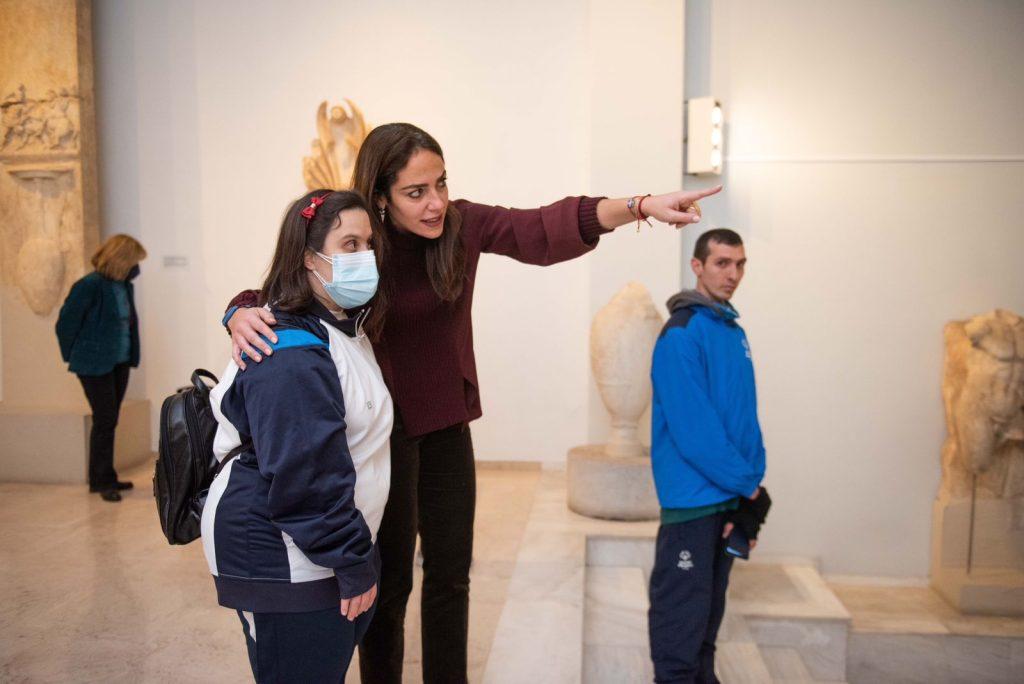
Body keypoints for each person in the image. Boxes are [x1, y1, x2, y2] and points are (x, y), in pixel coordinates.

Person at [225, 122, 721, 683]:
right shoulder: (363, 245)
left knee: (451, 576)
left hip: (447, 426)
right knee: (388, 584)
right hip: (382, 438)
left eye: (440, 183)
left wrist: (640, 206)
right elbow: (287, 287)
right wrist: (237, 312)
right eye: (416, 192)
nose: (435, 202)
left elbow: (541, 227)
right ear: (381, 196)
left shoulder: (461, 226)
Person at [201, 190, 392, 683]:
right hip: (283, 556)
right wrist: (351, 560)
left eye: (369, 243)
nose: (365, 256)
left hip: (324, 546)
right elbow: (305, 472)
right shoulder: (287, 349)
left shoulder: (338, 326)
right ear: (308, 258)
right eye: (349, 245)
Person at [647, 228, 772, 683]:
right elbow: (695, 432)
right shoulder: (681, 334)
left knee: (706, 625)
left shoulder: (732, 331)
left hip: (728, 497)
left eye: (740, 264)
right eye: (722, 263)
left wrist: (750, 488)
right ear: (697, 266)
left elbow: (742, 418)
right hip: (693, 502)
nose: (732, 274)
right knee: (679, 624)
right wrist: (749, 485)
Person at [55, 234, 146, 502]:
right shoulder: (89, 285)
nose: (137, 267)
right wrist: (75, 355)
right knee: (105, 419)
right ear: (122, 259)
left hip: (119, 361)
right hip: (94, 364)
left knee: (109, 419)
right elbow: (65, 325)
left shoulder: (124, 286)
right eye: (134, 261)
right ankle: (101, 481)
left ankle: (105, 475)